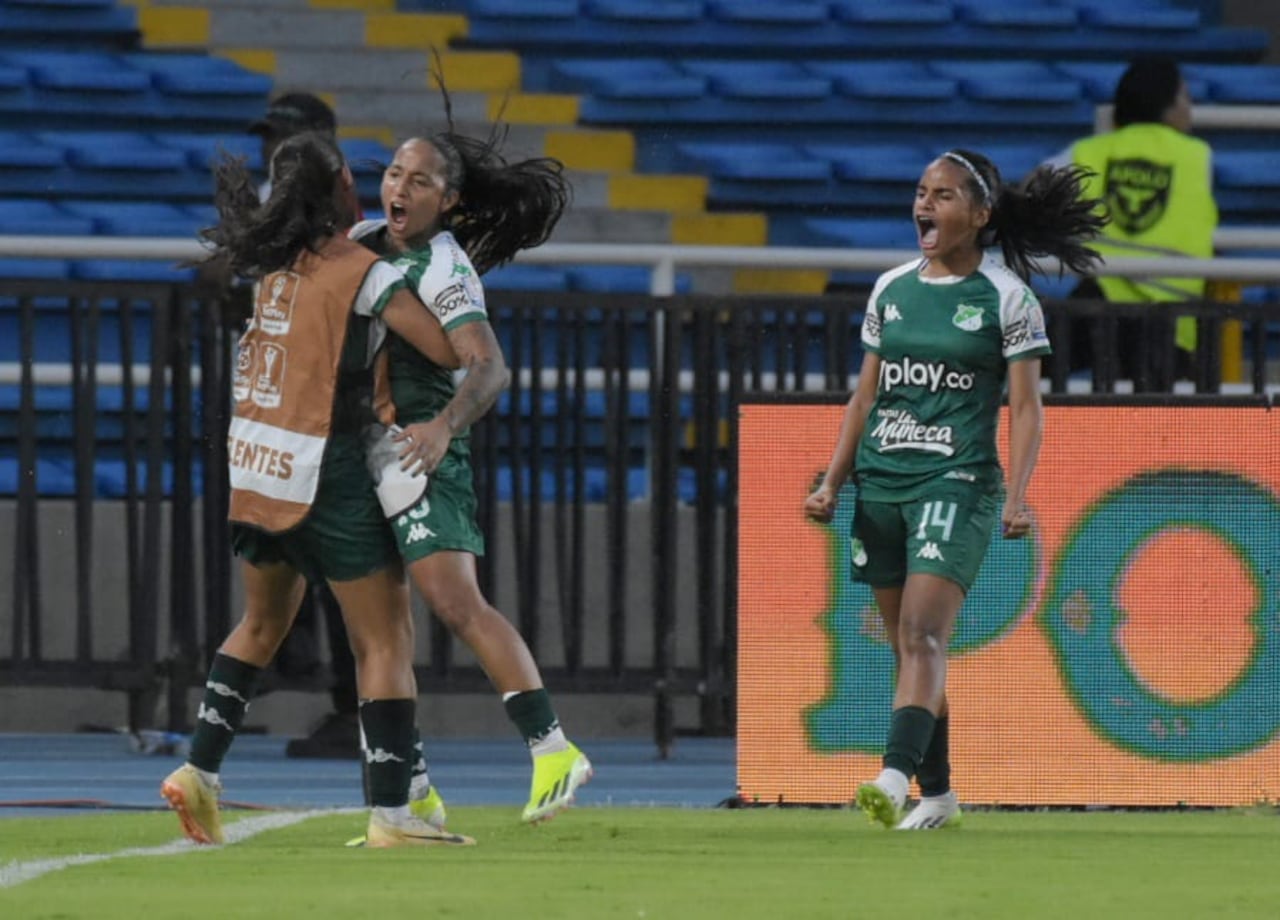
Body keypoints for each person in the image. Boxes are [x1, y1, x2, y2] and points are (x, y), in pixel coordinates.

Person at [160, 131, 475, 848]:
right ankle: (394, 812)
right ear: (339, 188)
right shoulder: (361, 270)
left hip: (255, 460)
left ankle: (199, 771)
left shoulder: (274, 263)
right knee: (383, 638)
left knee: (261, 625)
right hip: (322, 467)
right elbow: (449, 348)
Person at [803, 149, 1104, 830]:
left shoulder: (1006, 298)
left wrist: (1018, 493)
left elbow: (1026, 407)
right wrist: (833, 481)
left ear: (979, 214)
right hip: (882, 481)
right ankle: (938, 796)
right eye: (920, 193)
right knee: (905, 642)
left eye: (941, 196)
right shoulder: (891, 289)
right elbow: (865, 397)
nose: (924, 206)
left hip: (958, 480)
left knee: (922, 632)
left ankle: (892, 773)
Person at [345, 128, 591, 832]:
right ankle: (412, 790)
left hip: (422, 448)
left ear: (448, 200)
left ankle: (553, 750)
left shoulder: (446, 270)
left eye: (419, 180)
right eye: (394, 172)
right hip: (366, 450)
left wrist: (445, 426)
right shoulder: (365, 239)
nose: (400, 187)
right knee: (377, 632)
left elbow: (490, 367)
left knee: (455, 602)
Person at [248, 91, 364, 759]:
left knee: (335, 562)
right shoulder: (287, 191)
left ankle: (353, 707)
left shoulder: (327, 198)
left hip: (322, 405)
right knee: (284, 544)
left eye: (286, 137)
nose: (275, 149)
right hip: (288, 401)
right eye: (271, 137)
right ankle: (300, 673)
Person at [1050, 57, 1217, 389]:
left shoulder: (1090, 150)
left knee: (1027, 369)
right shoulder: (1197, 155)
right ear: (1167, 105)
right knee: (1159, 416)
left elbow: (1030, 190)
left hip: (1099, 300)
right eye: (1184, 97)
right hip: (1167, 317)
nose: (1190, 107)